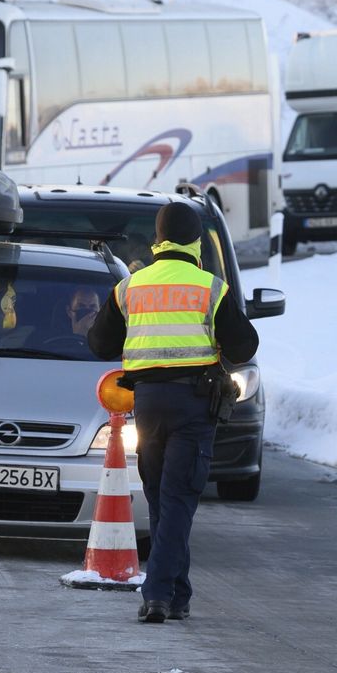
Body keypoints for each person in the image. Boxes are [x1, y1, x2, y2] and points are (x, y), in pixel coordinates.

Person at [88, 203, 258, 624]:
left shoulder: (130, 287)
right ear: (196, 242)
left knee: (163, 496)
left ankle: (177, 594)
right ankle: (158, 594)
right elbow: (245, 347)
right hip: (193, 405)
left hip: (147, 405)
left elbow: (98, 343)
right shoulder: (210, 287)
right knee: (179, 497)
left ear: (157, 242)